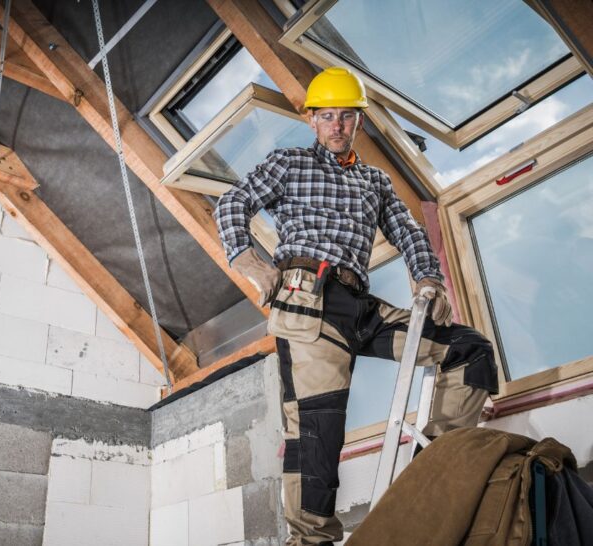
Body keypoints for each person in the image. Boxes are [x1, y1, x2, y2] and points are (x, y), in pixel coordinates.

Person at [214, 67, 499, 546]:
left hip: (359, 307)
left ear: (358, 122)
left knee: (470, 350)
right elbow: (231, 205)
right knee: (318, 440)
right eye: (328, 117)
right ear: (312, 121)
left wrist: (429, 278)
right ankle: (310, 541)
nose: (337, 126)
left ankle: (430, 471)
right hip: (307, 304)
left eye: (346, 117)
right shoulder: (288, 164)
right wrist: (255, 266)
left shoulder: (375, 181)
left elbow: (408, 231)